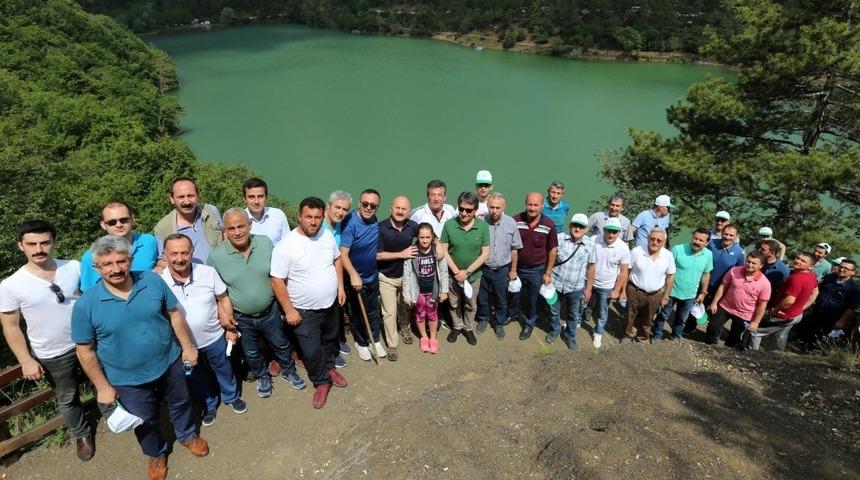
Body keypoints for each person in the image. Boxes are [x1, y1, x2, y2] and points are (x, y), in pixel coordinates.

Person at [72, 236, 208, 480]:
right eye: (107, 264)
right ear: (96, 267)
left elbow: (174, 314)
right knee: (144, 420)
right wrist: (102, 387)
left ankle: (188, 435)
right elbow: (85, 351)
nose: (116, 269)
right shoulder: (86, 305)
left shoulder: (152, 281)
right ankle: (156, 453)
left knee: (181, 402)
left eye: (121, 261)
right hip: (126, 379)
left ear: (131, 259)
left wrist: (188, 348)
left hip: (169, 362)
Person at [0, 221, 93, 461]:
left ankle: (113, 414)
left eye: (44, 242)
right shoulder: (10, 285)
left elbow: (91, 297)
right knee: (67, 396)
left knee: (101, 379)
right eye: (31, 244)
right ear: (20, 246)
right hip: (52, 352)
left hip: (87, 341)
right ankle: (81, 434)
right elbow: (10, 326)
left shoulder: (73, 267)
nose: (39, 249)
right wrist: (25, 360)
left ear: (54, 242)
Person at [207, 209, 305, 398]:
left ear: (250, 225)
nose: (237, 232)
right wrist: (224, 317)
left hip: (270, 311)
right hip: (241, 318)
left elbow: (278, 274)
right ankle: (262, 376)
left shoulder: (265, 243)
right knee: (251, 352)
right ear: (225, 231)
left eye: (241, 226)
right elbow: (215, 292)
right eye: (231, 228)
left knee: (281, 344)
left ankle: (289, 370)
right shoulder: (216, 257)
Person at [160, 234, 246, 426]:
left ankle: (231, 396)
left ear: (192, 252)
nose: (179, 258)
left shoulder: (207, 272)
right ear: (165, 254)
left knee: (224, 369)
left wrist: (229, 327)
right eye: (174, 253)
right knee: (196, 377)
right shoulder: (159, 282)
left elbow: (223, 298)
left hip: (214, 337)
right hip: (183, 346)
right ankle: (209, 404)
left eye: (184, 252)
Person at [270, 197, 348, 409]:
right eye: (308, 217)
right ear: (299, 217)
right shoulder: (287, 245)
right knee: (311, 351)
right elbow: (276, 280)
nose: (313, 222)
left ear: (323, 217)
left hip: (330, 305)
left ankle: (329, 367)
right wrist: (289, 310)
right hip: (304, 311)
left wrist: (340, 287)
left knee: (330, 341)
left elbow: (336, 259)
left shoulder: (326, 235)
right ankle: (322, 381)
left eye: (317, 217)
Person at [341, 189, 386, 361]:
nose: (368, 208)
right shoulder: (350, 223)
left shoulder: (374, 220)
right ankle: (361, 342)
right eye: (365, 204)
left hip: (372, 275)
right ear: (360, 203)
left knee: (373, 310)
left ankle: (375, 339)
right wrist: (353, 275)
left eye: (373, 206)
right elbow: (343, 254)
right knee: (359, 313)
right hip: (356, 279)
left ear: (377, 207)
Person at [440, 192, 490, 345]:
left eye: (468, 210)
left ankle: (468, 328)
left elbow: (485, 253)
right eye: (461, 209)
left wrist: (467, 272)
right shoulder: (449, 225)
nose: (464, 213)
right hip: (453, 275)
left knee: (471, 304)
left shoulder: (482, 226)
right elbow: (444, 250)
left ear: (475, 210)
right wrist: (456, 272)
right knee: (454, 303)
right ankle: (457, 326)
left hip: (473, 276)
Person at [746, 251, 819, 351]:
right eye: (797, 258)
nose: (797, 261)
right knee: (780, 336)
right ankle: (775, 355)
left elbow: (789, 301)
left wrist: (774, 311)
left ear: (810, 266)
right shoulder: (812, 276)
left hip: (782, 315)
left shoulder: (797, 278)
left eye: (803, 261)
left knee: (755, 331)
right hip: (796, 315)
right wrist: (802, 308)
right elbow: (815, 292)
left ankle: (751, 353)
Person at [375, 195, 419, 361]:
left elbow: (429, 236)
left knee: (405, 306)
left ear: (409, 211)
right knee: (389, 312)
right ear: (391, 208)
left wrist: (438, 246)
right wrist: (402, 254)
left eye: (404, 209)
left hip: (407, 277)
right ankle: (392, 344)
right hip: (386, 277)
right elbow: (377, 255)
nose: (400, 211)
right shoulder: (381, 228)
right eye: (397, 208)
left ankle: (405, 327)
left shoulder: (413, 226)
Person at [80, 201, 158, 292]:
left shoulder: (150, 242)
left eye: (124, 220)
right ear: (103, 225)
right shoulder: (91, 257)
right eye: (112, 222)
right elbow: (88, 292)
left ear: (132, 219)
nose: (119, 225)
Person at [512, 192, 558, 340]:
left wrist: (548, 273)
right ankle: (512, 314)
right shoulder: (516, 220)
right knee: (514, 293)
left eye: (536, 205)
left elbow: (552, 250)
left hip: (536, 269)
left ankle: (529, 323)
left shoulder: (548, 224)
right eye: (530, 204)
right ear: (525, 204)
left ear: (542, 206)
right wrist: (511, 268)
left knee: (533, 298)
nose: (532, 208)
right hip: (517, 267)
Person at [475, 193, 522, 339]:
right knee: (482, 297)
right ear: (487, 206)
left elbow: (515, 248)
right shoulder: (480, 221)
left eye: (497, 208)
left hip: (502, 269)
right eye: (491, 207)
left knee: (501, 298)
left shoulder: (511, 223)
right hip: (483, 268)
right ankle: (483, 318)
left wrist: (513, 269)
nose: (494, 211)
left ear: (503, 208)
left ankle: (499, 322)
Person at [654, 228, 713, 340]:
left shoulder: (708, 255)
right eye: (695, 238)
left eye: (701, 240)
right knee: (663, 315)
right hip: (671, 291)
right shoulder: (678, 249)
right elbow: (665, 268)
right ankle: (657, 335)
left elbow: (706, 275)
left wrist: (703, 293)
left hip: (690, 294)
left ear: (707, 243)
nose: (697, 242)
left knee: (682, 319)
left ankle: (675, 337)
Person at [706, 250, 771, 347]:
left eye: (754, 263)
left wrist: (755, 322)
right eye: (748, 261)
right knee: (712, 327)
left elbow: (762, 305)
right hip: (726, 306)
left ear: (761, 265)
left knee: (734, 337)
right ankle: (710, 346)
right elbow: (723, 286)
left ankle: (726, 351)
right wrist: (714, 302)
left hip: (745, 314)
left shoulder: (765, 283)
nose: (749, 265)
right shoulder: (734, 271)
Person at [622, 228, 675, 343]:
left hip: (655, 295)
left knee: (648, 318)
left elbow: (670, 276)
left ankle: (642, 337)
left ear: (664, 242)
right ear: (648, 239)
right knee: (630, 315)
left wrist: (666, 296)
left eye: (659, 240)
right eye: (652, 239)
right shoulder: (637, 251)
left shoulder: (668, 256)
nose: (655, 242)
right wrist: (623, 290)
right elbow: (627, 271)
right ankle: (627, 335)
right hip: (635, 290)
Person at [402, 223, 450, 354]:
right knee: (420, 314)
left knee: (433, 314)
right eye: (421, 237)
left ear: (432, 237)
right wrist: (407, 294)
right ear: (417, 237)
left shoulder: (437, 251)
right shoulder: (413, 252)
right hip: (418, 292)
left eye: (427, 237)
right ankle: (424, 337)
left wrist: (444, 291)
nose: (424, 240)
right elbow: (407, 274)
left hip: (433, 291)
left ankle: (433, 337)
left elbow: (443, 271)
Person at [550, 214, 595, 350]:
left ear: (586, 230)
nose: (577, 229)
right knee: (553, 311)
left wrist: (589, 288)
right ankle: (555, 330)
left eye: (581, 227)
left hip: (576, 288)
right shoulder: (559, 238)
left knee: (573, 314)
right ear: (570, 226)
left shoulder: (590, 244)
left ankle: (570, 336)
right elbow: (550, 257)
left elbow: (591, 268)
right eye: (575, 225)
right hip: (555, 284)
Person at [584, 217, 630, 349]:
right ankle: (576, 322)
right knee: (582, 304)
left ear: (619, 233)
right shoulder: (593, 240)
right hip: (589, 281)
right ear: (603, 230)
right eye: (608, 230)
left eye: (614, 232)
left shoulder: (623, 248)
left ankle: (598, 332)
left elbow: (623, 272)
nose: (611, 234)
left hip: (607, 286)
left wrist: (616, 290)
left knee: (603, 311)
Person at [153, 177, 222, 264]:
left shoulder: (211, 211)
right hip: (190, 272)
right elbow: (163, 260)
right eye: (181, 197)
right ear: (172, 199)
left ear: (198, 195)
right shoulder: (163, 229)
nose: (187, 202)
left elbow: (225, 236)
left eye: (190, 196)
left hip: (220, 269)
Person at [795, 259, 859, 348]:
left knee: (820, 341)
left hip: (832, 319)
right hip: (816, 313)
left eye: (846, 268)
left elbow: (851, 307)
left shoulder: (853, 289)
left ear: (852, 272)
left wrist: (842, 321)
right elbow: (817, 291)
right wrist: (810, 303)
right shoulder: (829, 278)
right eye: (841, 267)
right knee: (804, 333)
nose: (842, 269)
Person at [323, 190, 353, 364]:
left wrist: (340, 286)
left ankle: (336, 341)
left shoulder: (338, 224)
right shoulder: (320, 226)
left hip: (335, 275)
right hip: (322, 278)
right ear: (329, 206)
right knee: (326, 316)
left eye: (344, 209)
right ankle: (330, 352)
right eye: (337, 207)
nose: (341, 212)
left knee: (336, 313)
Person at [243, 177, 290, 245]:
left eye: (260, 196)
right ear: (244, 199)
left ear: (266, 197)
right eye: (251, 197)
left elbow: (288, 244)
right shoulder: (239, 220)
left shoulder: (278, 215)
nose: (256, 201)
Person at [706, 224, 744, 301]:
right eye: (726, 234)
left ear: (736, 236)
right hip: (703, 283)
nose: (727, 237)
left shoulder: (739, 253)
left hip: (721, 289)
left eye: (731, 235)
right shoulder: (711, 243)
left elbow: (739, 273)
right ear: (721, 233)